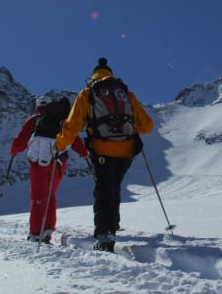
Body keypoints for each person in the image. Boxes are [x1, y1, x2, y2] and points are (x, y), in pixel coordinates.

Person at [54, 58, 154, 252]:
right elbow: (147, 126)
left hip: (101, 149)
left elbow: (72, 125)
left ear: (92, 77)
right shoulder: (125, 94)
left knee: (103, 189)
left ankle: (105, 234)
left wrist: (59, 144)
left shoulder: (87, 93)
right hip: (126, 151)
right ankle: (113, 225)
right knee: (114, 186)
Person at [10, 95, 89, 243]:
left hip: (39, 162)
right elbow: (74, 139)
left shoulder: (34, 120)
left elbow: (20, 141)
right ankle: (47, 230)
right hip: (59, 162)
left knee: (38, 195)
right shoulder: (62, 121)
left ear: (38, 107)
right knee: (50, 195)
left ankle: (35, 232)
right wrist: (84, 154)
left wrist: (14, 151)